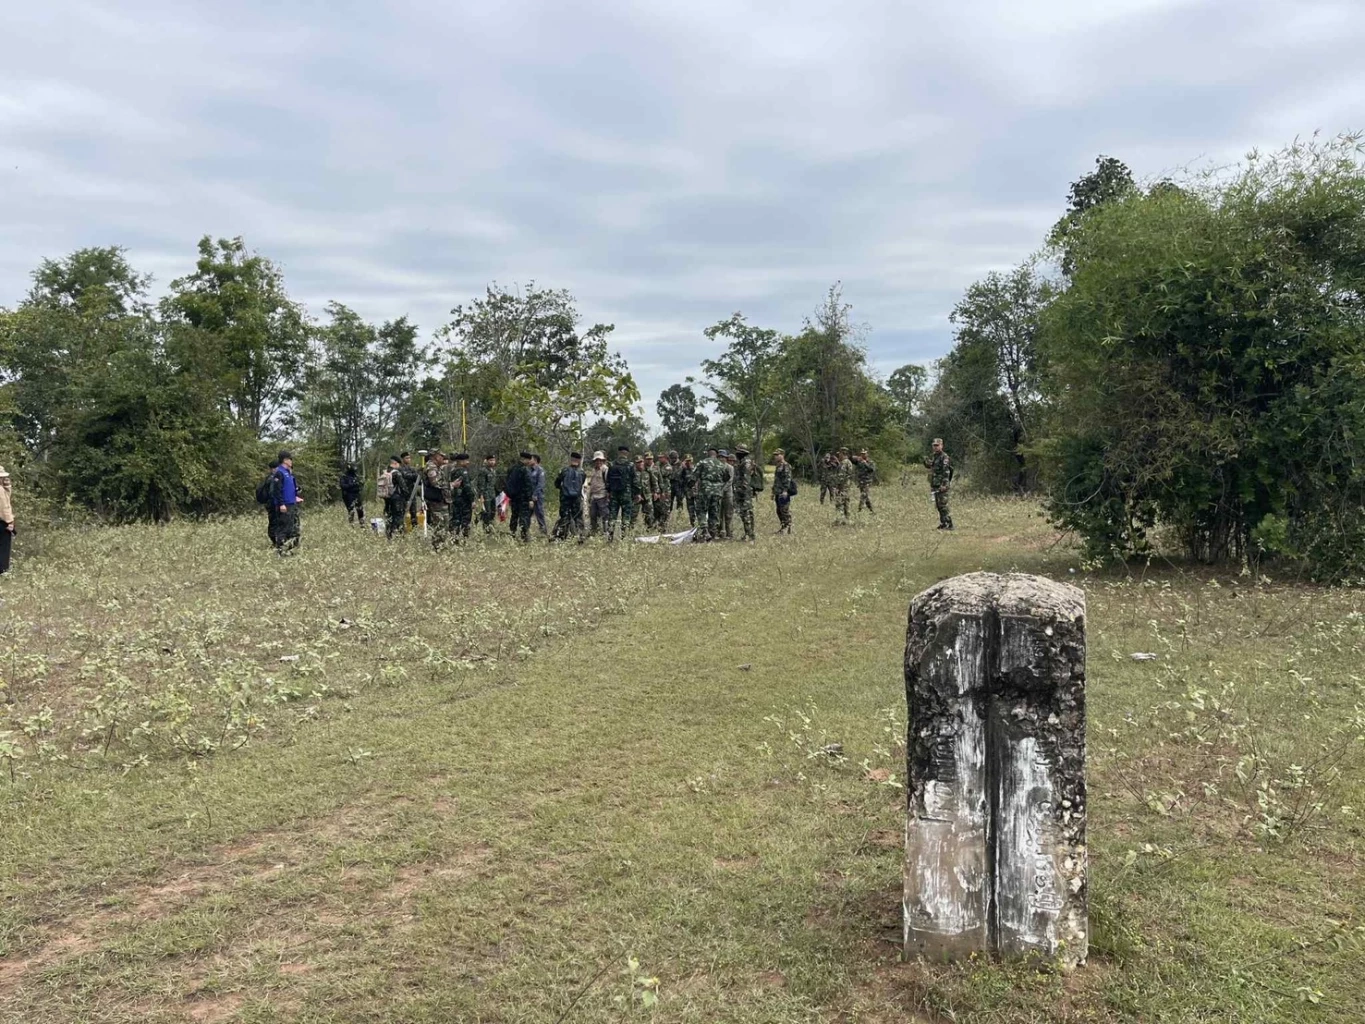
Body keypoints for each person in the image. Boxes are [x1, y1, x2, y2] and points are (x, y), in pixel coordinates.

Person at [269, 451, 303, 555]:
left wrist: (296, 495)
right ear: (285, 460)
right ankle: (281, 550)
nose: (291, 461)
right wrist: (281, 504)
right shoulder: (279, 472)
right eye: (290, 459)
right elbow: (276, 490)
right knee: (283, 528)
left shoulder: (288, 473)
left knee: (292, 528)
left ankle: (291, 549)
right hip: (285, 505)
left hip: (291, 503)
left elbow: (288, 489)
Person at [695, 446, 731, 541]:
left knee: (701, 510)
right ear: (716, 455)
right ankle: (713, 532)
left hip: (705, 490)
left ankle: (705, 531)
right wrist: (718, 483)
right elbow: (727, 477)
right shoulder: (722, 465)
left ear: (708, 454)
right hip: (717, 492)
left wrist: (691, 486)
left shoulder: (702, 462)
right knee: (714, 511)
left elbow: (694, 476)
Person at [552, 452, 588, 542]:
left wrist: (562, 488)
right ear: (579, 461)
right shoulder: (582, 473)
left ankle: (562, 536)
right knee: (578, 517)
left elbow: (556, 483)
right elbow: (582, 483)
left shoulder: (564, 471)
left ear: (570, 459)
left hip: (565, 498)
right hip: (576, 498)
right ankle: (580, 537)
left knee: (564, 517)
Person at [732, 445, 762, 542]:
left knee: (746, 514)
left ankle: (750, 535)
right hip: (742, 492)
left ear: (741, 453)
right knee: (745, 514)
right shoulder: (742, 462)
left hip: (744, 493)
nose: (736, 454)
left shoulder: (746, 463)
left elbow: (746, 480)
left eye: (737, 452)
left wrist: (740, 491)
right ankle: (748, 533)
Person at [605, 446, 635, 541]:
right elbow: (635, 481)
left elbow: (608, 480)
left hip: (614, 494)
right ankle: (624, 537)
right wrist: (636, 493)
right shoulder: (630, 465)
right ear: (627, 453)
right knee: (626, 516)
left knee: (612, 516)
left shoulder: (612, 464)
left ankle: (610, 538)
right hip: (626, 494)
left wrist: (608, 492)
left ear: (619, 453)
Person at [504, 451, 535, 541]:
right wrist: (530, 499)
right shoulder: (525, 470)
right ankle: (524, 536)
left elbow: (507, 482)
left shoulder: (512, 468)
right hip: (523, 498)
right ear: (525, 460)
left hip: (513, 497)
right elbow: (528, 485)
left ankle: (512, 533)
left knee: (514, 515)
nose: (529, 462)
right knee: (524, 516)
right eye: (529, 460)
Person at [925, 437, 954, 530]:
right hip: (935, 484)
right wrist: (926, 462)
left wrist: (944, 485)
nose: (935, 447)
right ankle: (943, 523)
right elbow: (932, 466)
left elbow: (946, 472)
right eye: (934, 445)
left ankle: (949, 523)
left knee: (943, 505)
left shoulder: (944, 457)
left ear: (941, 446)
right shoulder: (935, 456)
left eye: (937, 445)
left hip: (942, 484)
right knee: (938, 505)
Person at [424, 451, 450, 548]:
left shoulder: (438, 467)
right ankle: (437, 546)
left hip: (441, 499)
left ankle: (441, 545)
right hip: (435, 501)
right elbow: (435, 483)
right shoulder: (431, 467)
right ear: (435, 456)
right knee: (439, 524)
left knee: (444, 524)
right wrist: (451, 485)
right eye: (441, 456)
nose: (443, 458)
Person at [447, 453, 475, 542]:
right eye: (466, 460)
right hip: (464, 500)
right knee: (465, 520)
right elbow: (467, 487)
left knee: (455, 519)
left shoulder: (452, 471)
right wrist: (472, 500)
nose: (468, 462)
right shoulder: (463, 471)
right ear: (460, 461)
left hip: (455, 499)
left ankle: (454, 539)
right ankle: (464, 539)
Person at [382, 455, 408, 539]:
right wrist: (406, 497)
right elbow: (403, 487)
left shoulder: (385, 472)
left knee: (389, 517)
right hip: (397, 499)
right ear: (396, 463)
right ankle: (400, 536)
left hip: (387, 498)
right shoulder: (396, 473)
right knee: (398, 517)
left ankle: (389, 535)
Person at [587, 450, 611, 537]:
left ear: (603, 461)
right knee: (593, 516)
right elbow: (591, 483)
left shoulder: (605, 470)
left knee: (605, 516)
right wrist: (589, 496)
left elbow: (609, 483)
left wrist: (608, 495)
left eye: (600, 460)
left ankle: (606, 533)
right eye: (597, 460)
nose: (598, 462)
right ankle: (594, 532)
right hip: (594, 496)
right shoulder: (593, 470)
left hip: (602, 496)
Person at [771, 448, 794, 534]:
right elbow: (776, 480)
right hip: (778, 491)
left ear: (782, 455)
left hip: (784, 492)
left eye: (777, 455)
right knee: (779, 510)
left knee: (784, 510)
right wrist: (773, 492)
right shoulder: (778, 466)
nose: (776, 456)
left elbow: (787, 479)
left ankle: (788, 528)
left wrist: (785, 491)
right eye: (775, 455)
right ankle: (783, 526)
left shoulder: (786, 465)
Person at [475, 454, 499, 532]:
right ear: (487, 461)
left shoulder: (493, 471)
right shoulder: (483, 471)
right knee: (486, 512)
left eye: (493, 460)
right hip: (486, 495)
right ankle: (486, 529)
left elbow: (494, 484)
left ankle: (490, 526)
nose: (492, 462)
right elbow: (480, 484)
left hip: (492, 494)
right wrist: (481, 496)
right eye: (490, 460)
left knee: (493, 512)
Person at [397, 452, 421, 529]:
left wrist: (419, 475)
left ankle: (415, 528)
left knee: (413, 512)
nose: (409, 459)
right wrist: (417, 474)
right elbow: (406, 476)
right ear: (402, 459)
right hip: (403, 494)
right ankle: (401, 529)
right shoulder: (400, 469)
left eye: (409, 458)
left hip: (412, 493)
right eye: (407, 458)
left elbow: (417, 480)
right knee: (402, 512)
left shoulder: (412, 469)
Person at [833, 447, 854, 521]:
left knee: (839, 503)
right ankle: (847, 519)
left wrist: (837, 487)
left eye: (839, 454)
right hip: (847, 486)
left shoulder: (844, 463)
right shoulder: (849, 462)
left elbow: (841, 476)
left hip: (842, 486)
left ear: (842, 454)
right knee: (846, 503)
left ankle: (839, 519)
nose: (839, 456)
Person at [529, 454, 548, 536]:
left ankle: (543, 532)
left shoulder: (540, 470)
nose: (529, 460)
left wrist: (535, 494)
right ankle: (525, 532)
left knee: (539, 513)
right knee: (527, 514)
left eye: (531, 459)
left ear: (535, 460)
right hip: (529, 496)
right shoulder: (528, 470)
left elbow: (540, 484)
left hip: (538, 496)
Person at [0, 466, 14, 574]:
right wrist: (9, 522)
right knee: (4, 546)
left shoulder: (2, 488)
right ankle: (2, 569)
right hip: (2, 522)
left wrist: (7, 487)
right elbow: (5, 507)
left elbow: (7, 498)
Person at [854, 449, 877, 514]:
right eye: (862, 454)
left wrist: (865, 463)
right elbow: (852, 460)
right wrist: (855, 457)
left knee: (863, 495)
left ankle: (859, 510)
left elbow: (872, 470)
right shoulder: (859, 462)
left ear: (867, 454)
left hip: (867, 481)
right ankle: (872, 510)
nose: (863, 455)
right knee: (866, 497)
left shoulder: (871, 462)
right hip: (861, 481)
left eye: (864, 454)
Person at [652, 452, 672, 530]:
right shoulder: (658, 465)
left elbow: (661, 473)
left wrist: (655, 468)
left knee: (665, 509)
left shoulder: (668, 467)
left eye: (661, 457)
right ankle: (656, 525)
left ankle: (663, 527)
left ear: (665, 458)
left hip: (666, 491)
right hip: (658, 490)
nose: (659, 459)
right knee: (657, 508)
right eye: (659, 457)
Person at [720, 449, 736, 540]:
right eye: (719, 457)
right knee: (719, 513)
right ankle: (720, 532)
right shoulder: (716, 467)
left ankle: (729, 532)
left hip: (728, 493)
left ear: (726, 458)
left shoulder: (730, 467)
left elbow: (730, 481)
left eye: (723, 457)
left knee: (728, 513)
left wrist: (722, 490)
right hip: (718, 493)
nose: (721, 459)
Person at [680, 454, 698, 526]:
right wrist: (682, 468)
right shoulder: (683, 470)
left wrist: (690, 468)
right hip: (688, 493)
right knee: (690, 510)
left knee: (699, 509)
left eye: (689, 461)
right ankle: (692, 524)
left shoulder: (696, 468)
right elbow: (678, 477)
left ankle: (700, 524)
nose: (688, 462)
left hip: (696, 492)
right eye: (687, 461)